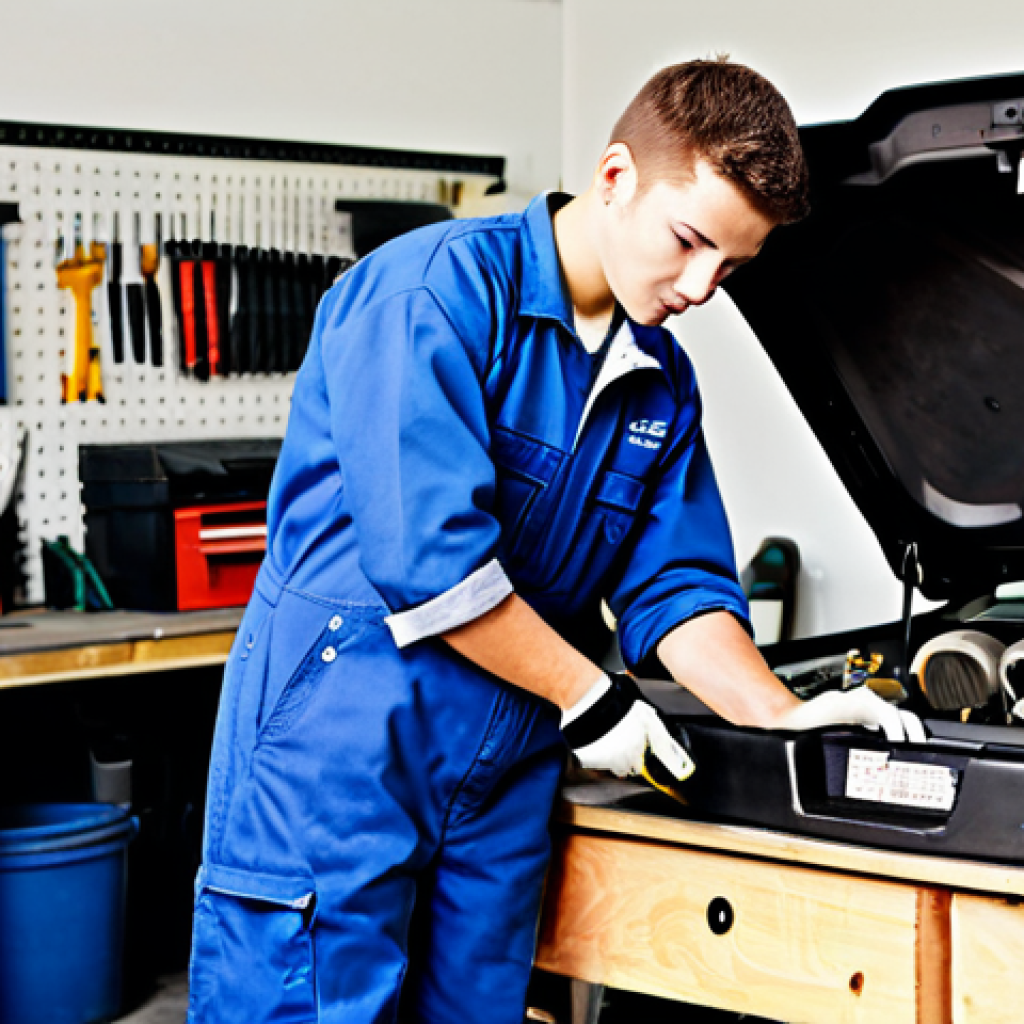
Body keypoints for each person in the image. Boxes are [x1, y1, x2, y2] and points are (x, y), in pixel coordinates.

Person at [186, 58, 924, 1024]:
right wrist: (593, 699)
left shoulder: (657, 377)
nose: (703, 287)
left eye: (733, 267)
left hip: (501, 774)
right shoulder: (429, 296)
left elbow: (679, 587)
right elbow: (432, 565)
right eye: (692, 241)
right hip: (339, 753)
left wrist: (781, 713)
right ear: (615, 178)